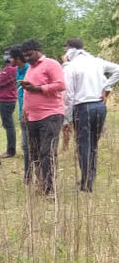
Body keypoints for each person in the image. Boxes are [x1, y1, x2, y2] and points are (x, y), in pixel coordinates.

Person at [62, 37, 119, 192]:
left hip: (83, 107)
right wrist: (105, 86)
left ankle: (86, 184)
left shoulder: (70, 66)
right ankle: (89, 180)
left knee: (83, 145)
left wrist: (66, 118)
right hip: (100, 106)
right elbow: (117, 69)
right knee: (93, 144)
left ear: (70, 49)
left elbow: (68, 95)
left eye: (65, 49)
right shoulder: (96, 61)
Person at [19, 39, 66, 197]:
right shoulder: (30, 69)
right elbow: (27, 92)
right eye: (24, 56)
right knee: (35, 152)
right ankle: (42, 184)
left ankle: (50, 189)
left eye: (29, 54)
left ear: (38, 50)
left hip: (50, 114)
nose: (27, 58)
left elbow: (60, 85)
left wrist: (38, 89)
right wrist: (25, 110)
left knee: (47, 151)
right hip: (33, 117)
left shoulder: (51, 64)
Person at [9, 45, 31, 181]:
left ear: (18, 58)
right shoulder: (17, 70)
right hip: (22, 111)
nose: (9, 60)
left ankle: (34, 173)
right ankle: (27, 174)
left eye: (11, 57)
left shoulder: (30, 69)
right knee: (25, 146)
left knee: (31, 145)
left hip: (32, 113)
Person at [0, 49, 18, 158]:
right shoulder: (8, 68)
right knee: (7, 125)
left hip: (6, 100)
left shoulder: (10, 69)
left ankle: (11, 150)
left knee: (9, 125)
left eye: (7, 54)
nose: (5, 56)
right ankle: (11, 149)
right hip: (6, 99)